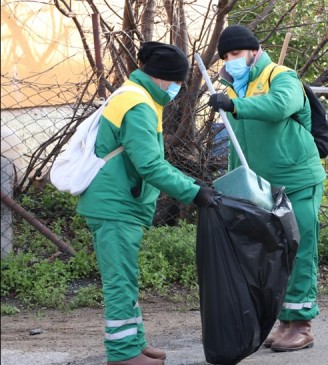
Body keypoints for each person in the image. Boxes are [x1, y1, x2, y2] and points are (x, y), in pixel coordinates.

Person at [77, 41, 219, 365]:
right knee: (119, 282)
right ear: (161, 77)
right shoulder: (138, 104)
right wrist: (194, 194)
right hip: (114, 205)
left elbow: (147, 159)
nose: (180, 88)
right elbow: (149, 166)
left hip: (119, 201)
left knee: (126, 276)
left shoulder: (137, 96)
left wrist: (191, 182)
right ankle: (123, 354)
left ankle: (135, 343)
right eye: (178, 81)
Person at [207, 25, 326, 352]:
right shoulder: (232, 87)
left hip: (298, 180)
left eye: (236, 53)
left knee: (300, 248)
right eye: (227, 56)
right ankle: (284, 320)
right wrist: (232, 185)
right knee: (273, 255)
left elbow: (279, 106)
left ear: (254, 51)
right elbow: (236, 144)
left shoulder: (282, 76)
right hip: (261, 188)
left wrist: (236, 106)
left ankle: (302, 324)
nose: (231, 61)